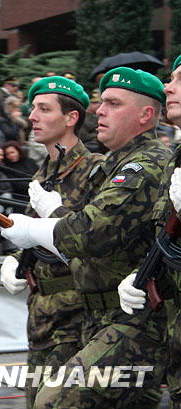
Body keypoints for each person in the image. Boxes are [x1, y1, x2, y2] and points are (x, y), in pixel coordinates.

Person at [1, 67, 170, 408]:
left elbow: (89, 232)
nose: (100, 110)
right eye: (101, 102)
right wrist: (19, 257)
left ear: (145, 114)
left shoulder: (132, 165)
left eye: (112, 103)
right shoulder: (109, 165)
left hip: (117, 315)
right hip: (89, 314)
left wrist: (40, 224)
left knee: (56, 400)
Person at [0, 76, 102, 409]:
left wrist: (54, 212)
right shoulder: (43, 173)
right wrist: (16, 257)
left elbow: (93, 238)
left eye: (44, 109)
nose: (32, 117)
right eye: (32, 109)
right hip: (42, 315)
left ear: (71, 118)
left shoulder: (95, 171)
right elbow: (30, 230)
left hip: (78, 317)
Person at [118, 54, 181, 409]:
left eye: (179, 80)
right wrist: (143, 274)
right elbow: (168, 240)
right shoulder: (176, 157)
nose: (168, 88)